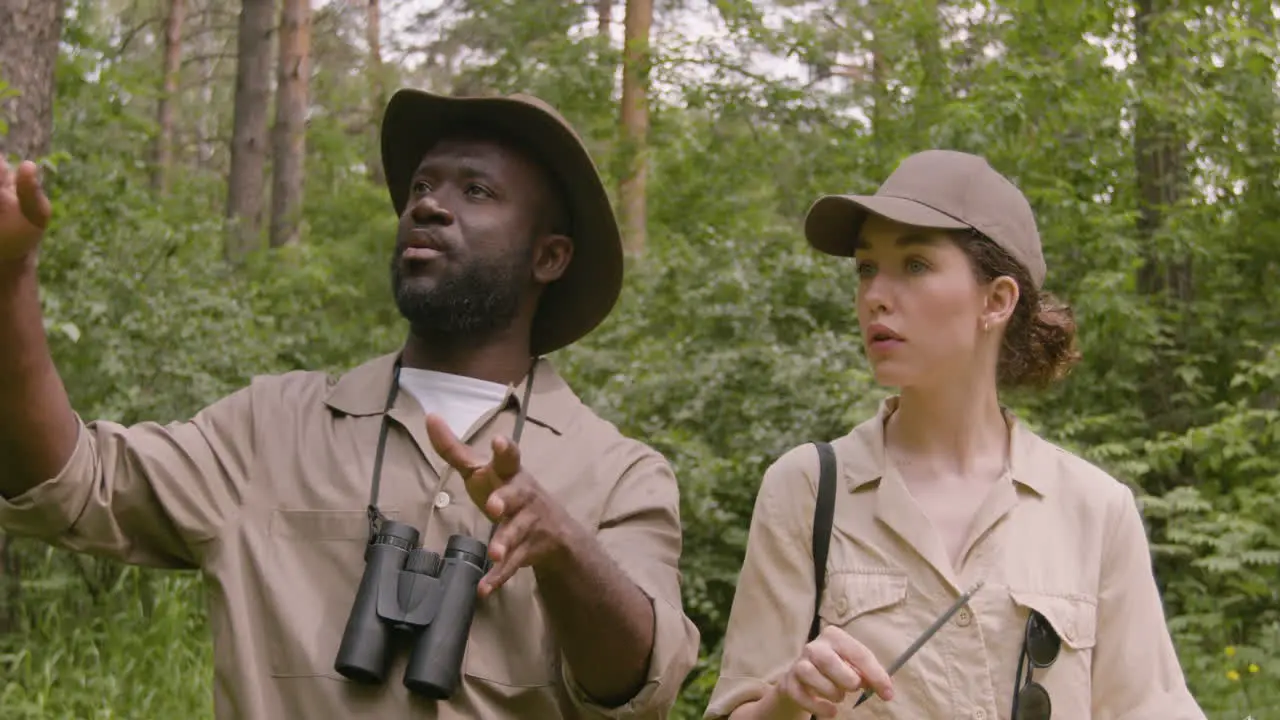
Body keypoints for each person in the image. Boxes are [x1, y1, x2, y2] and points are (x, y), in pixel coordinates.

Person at [0, 89, 700, 719]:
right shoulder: (270, 428)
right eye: (422, 185)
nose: (428, 203)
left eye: (477, 191)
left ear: (549, 257)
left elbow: (640, 689)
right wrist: (10, 282)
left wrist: (562, 546)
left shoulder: (618, 475)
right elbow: (69, 484)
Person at [703, 150, 1206, 720]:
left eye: (914, 265)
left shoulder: (1095, 509)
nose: (875, 296)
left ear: (996, 301)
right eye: (866, 268)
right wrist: (787, 699)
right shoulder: (807, 491)